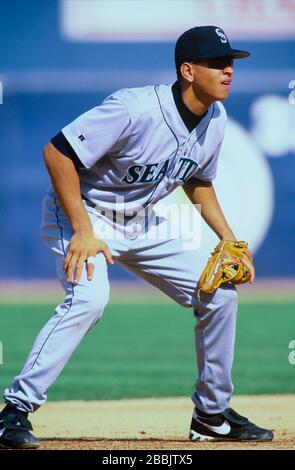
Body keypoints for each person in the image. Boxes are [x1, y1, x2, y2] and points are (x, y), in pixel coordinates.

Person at [0, 26, 273, 449]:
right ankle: (14, 411)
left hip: (141, 220)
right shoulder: (134, 109)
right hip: (82, 213)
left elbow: (198, 182)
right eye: (217, 63)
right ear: (187, 70)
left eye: (230, 63)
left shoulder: (214, 120)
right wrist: (84, 232)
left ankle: (211, 415)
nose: (228, 71)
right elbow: (57, 153)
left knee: (220, 294)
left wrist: (229, 238)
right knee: (89, 298)